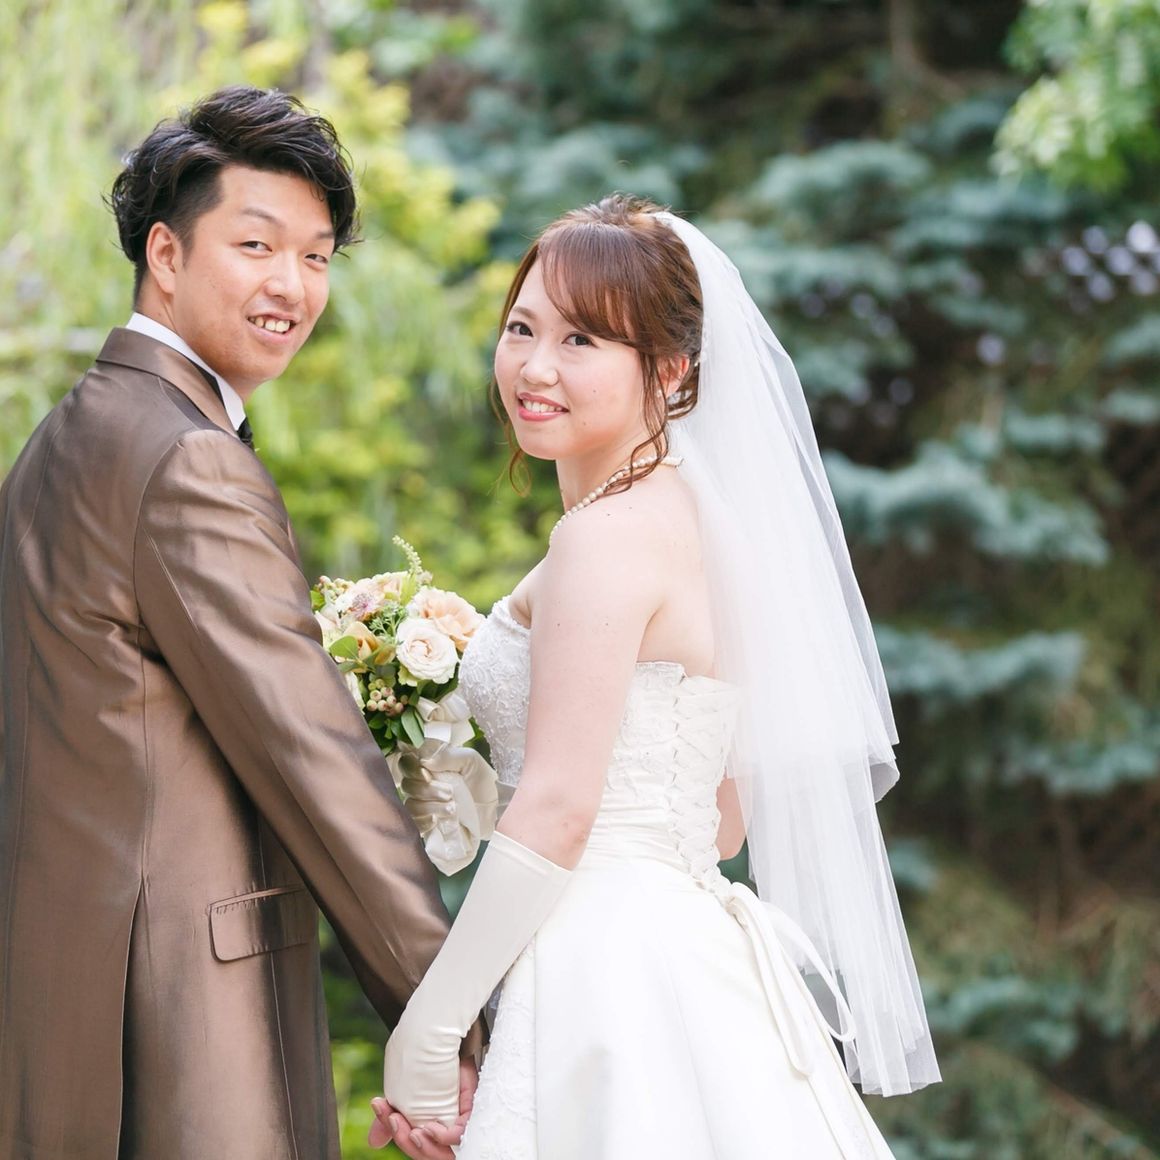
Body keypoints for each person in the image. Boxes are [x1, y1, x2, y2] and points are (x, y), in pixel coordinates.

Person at [371, 194, 940, 1158]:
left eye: (582, 340)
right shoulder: (707, 530)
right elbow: (722, 819)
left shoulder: (602, 539)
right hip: (678, 956)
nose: (534, 367)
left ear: (670, 371)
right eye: (522, 328)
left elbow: (559, 807)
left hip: (603, 969)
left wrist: (428, 1034)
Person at [0, 85, 475, 1160]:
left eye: (316, 257)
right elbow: (316, 765)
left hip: (59, 1018)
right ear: (165, 254)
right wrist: (452, 1015)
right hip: (183, 1025)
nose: (291, 286)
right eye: (256, 245)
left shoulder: (59, 442)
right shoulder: (189, 459)